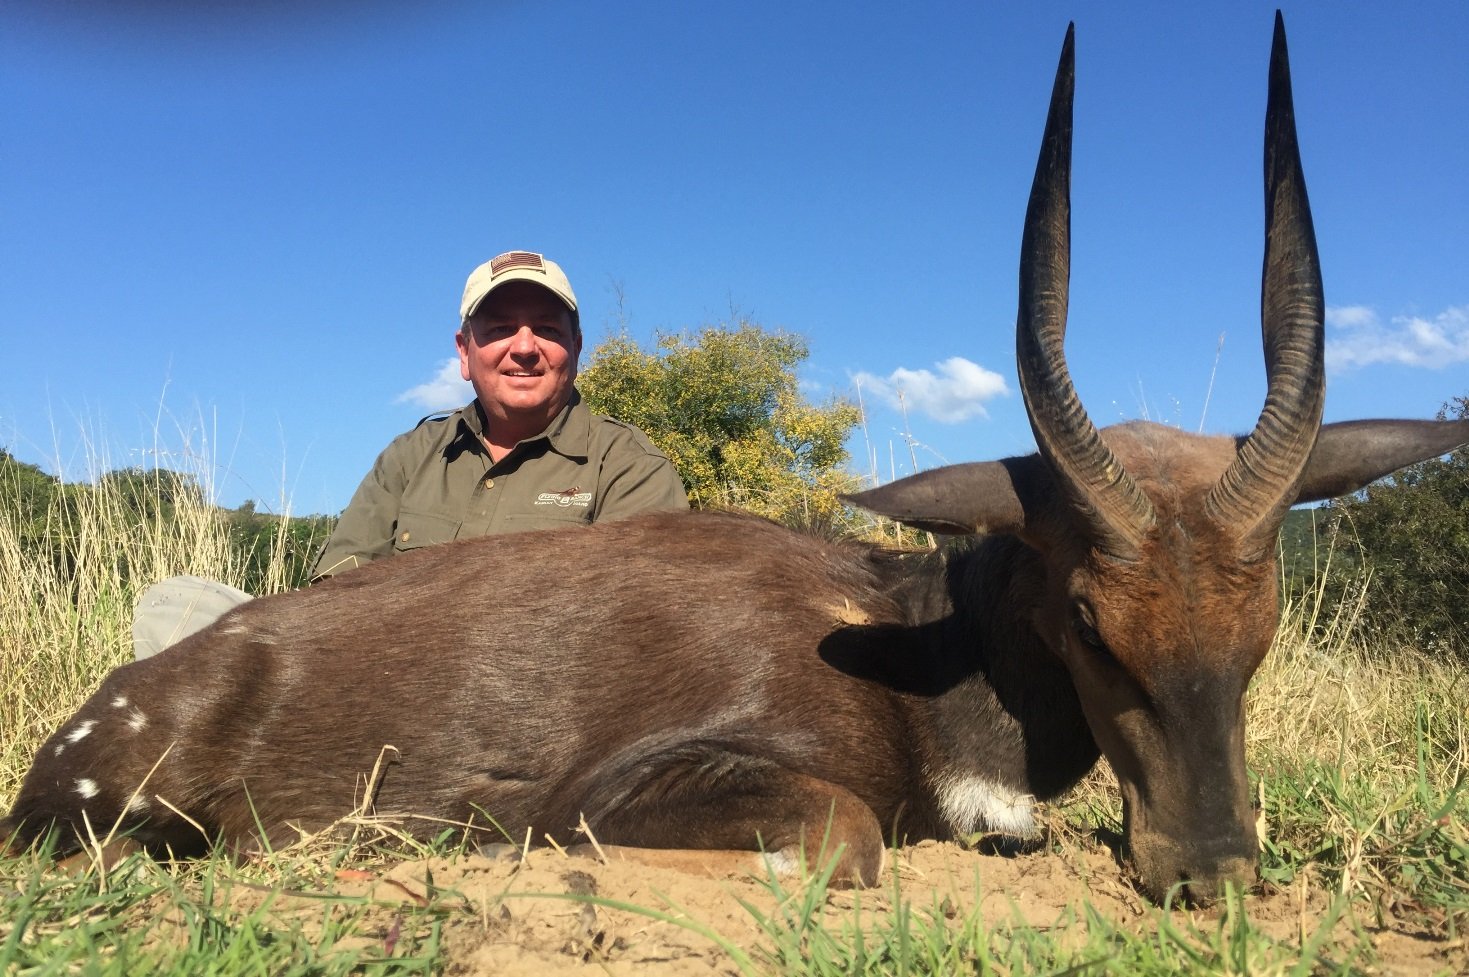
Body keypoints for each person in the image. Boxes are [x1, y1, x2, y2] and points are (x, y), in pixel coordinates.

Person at [133, 250, 687, 659]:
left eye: (546, 329)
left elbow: (636, 637)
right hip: (383, 678)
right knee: (179, 607)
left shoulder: (630, 468)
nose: (523, 347)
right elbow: (335, 597)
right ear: (464, 353)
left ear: (576, 348)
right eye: (498, 330)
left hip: (537, 706)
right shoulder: (410, 455)